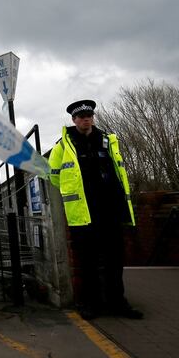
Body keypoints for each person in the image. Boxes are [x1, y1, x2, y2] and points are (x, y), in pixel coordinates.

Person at [49, 99, 143, 320]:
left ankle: (118, 303)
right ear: (74, 120)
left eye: (89, 115)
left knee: (114, 260)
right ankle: (89, 304)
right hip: (84, 214)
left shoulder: (108, 140)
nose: (86, 119)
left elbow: (118, 171)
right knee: (87, 262)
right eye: (81, 117)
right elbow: (53, 175)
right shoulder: (63, 144)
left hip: (111, 209)